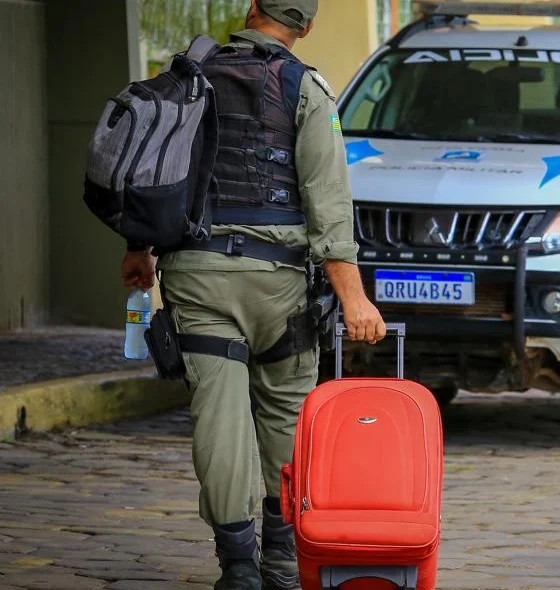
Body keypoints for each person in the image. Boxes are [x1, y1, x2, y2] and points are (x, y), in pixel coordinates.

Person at [120, 1, 386, 588]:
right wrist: (354, 298)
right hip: (278, 283)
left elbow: (151, 171)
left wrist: (139, 249)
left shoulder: (189, 77)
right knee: (287, 418)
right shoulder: (307, 89)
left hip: (196, 274)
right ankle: (284, 566)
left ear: (249, 10)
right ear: (306, 28)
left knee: (217, 420)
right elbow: (328, 203)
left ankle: (238, 568)